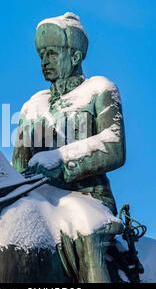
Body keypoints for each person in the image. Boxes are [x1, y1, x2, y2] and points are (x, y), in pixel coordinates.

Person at [12, 12, 126, 216]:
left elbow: (114, 145)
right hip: (42, 203)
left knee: (89, 238)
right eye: (42, 55)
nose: (44, 62)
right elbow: (17, 168)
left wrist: (60, 162)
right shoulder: (32, 106)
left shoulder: (100, 89)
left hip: (89, 199)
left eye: (52, 54)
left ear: (75, 57)